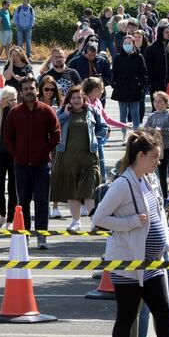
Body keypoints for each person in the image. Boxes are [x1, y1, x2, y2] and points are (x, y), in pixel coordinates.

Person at [91, 128, 169, 337]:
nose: (158, 162)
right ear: (140, 156)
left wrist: (166, 238)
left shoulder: (148, 180)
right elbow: (98, 218)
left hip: (152, 264)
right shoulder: (122, 184)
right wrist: (131, 222)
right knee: (126, 318)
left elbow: (158, 213)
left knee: (163, 313)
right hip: (129, 265)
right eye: (154, 157)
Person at [3, 74, 61, 248]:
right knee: (23, 202)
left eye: (32, 88)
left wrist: (45, 150)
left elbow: (56, 134)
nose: (29, 91)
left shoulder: (46, 110)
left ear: (37, 90)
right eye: (26, 89)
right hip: (21, 165)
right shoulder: (15, 113)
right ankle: (25, 236)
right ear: (21, 92)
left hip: (42, 165)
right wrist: (16, 153)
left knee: (43, 201)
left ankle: (41, 237)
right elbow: (7, 137)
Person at [51, 87, 108, 232]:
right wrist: (65, 114)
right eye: (73, 98)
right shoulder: (62, 113)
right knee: (72, 192)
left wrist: (98, 140)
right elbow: (54, 126)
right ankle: (75, 221)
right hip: (67, 157)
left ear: (83, 99)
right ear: (69, 100)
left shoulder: (91, 111)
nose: (76, 100)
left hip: (88, 157)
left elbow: (103, 127)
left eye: (79, 98)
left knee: (89, 191)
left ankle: (95, 222)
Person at [83, 77, 129, 182]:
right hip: (86, 140)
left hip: (99, 138)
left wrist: (124, 125)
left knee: (102, 162)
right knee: (89, 165)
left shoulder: (98, 101)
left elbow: (106, 119)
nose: (103, 91)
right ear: (95, 89)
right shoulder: (83, 101)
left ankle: (102, 183)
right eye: (101, 89)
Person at [112, 34, 149, 140]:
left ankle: (136, 134)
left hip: (135, 88)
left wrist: (143, 86)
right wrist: (114, 83)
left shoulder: (139, 56)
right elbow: (114, 72)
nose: (127, 45)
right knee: (122, 114)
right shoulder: (118, 57)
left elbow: (144, 73)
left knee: (135, 114)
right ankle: (124, 134)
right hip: (121, 88)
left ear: (133, 44)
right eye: (125, 43)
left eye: (129, 43)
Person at [39, 76, 65, 220]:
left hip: (56, 144)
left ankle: (55, 207)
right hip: (40, 143)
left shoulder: (60, 104)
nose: (49, 92)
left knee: (55, 176)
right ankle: (44, 205)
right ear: (41, 89)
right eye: (46, 89)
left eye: (52, 89)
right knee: (42, 178)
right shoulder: (36, 103)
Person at [0, 86, 18, 230]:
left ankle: (10, 219)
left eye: (15, 99)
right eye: (10, 100)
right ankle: (2, 214)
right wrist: (1, 109)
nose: (13, 102)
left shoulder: (17, 112)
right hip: (0, 153)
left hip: (14, 154)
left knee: (13, 187)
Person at [143, 25, 169, 109]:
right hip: (155, 85)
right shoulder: (151, 48)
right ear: (160, 33)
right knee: (157, 109)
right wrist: (150, 82)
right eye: (166, 32)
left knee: (168, 110)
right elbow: (146, 67)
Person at [0, 0, 13, 65]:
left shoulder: (7, 11)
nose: (8, 6)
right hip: (3, 31)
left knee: (8, 45)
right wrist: (2, 31)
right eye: (7, 5)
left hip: (9, 30)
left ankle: (8, 59)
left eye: (9, 5)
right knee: (3, 45)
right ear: (4, 5)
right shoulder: (0, 12)